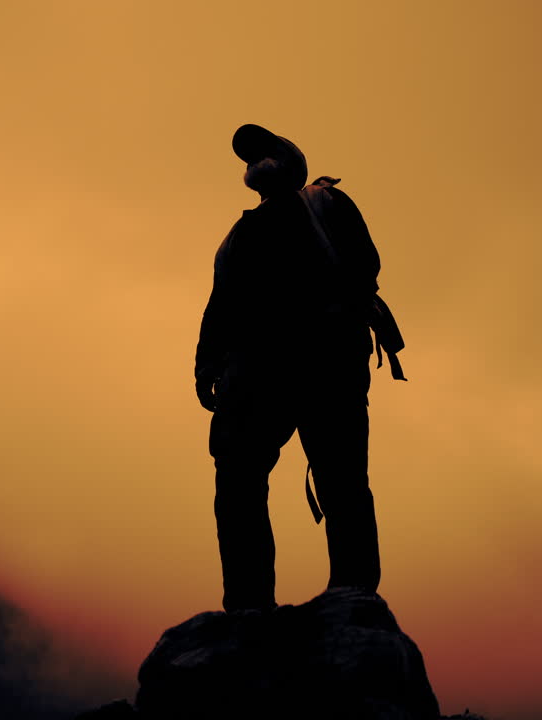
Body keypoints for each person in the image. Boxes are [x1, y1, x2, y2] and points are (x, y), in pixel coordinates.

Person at [195, 124, 392, 613]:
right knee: (237, 483)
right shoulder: (238, 237)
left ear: (291, 159)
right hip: (254, 375)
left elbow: (366, 265)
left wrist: (332, 315)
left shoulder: (325, 203)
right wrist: (206, 364)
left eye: (266, 151)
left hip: (327, 364)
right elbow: (219, 306)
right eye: (250, 157)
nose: (257, 161)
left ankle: (353, 597)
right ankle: (247, 605)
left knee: (341, 478)